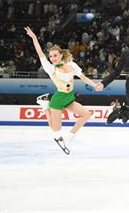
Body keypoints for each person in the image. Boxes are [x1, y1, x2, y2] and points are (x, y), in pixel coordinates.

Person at [25, 26, 96, 154]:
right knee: (55, 129)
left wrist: (94, 85)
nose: (52, 58)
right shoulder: (50, 68)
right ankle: (45, 106)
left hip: (69, 97)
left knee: (87, 114)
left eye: (55, 55)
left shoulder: (72, 65)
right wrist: (34, 38)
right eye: (51, 56)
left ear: (61, 55)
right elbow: (40, 53)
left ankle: (70, 136)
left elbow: (84, 78)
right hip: (58, 99)